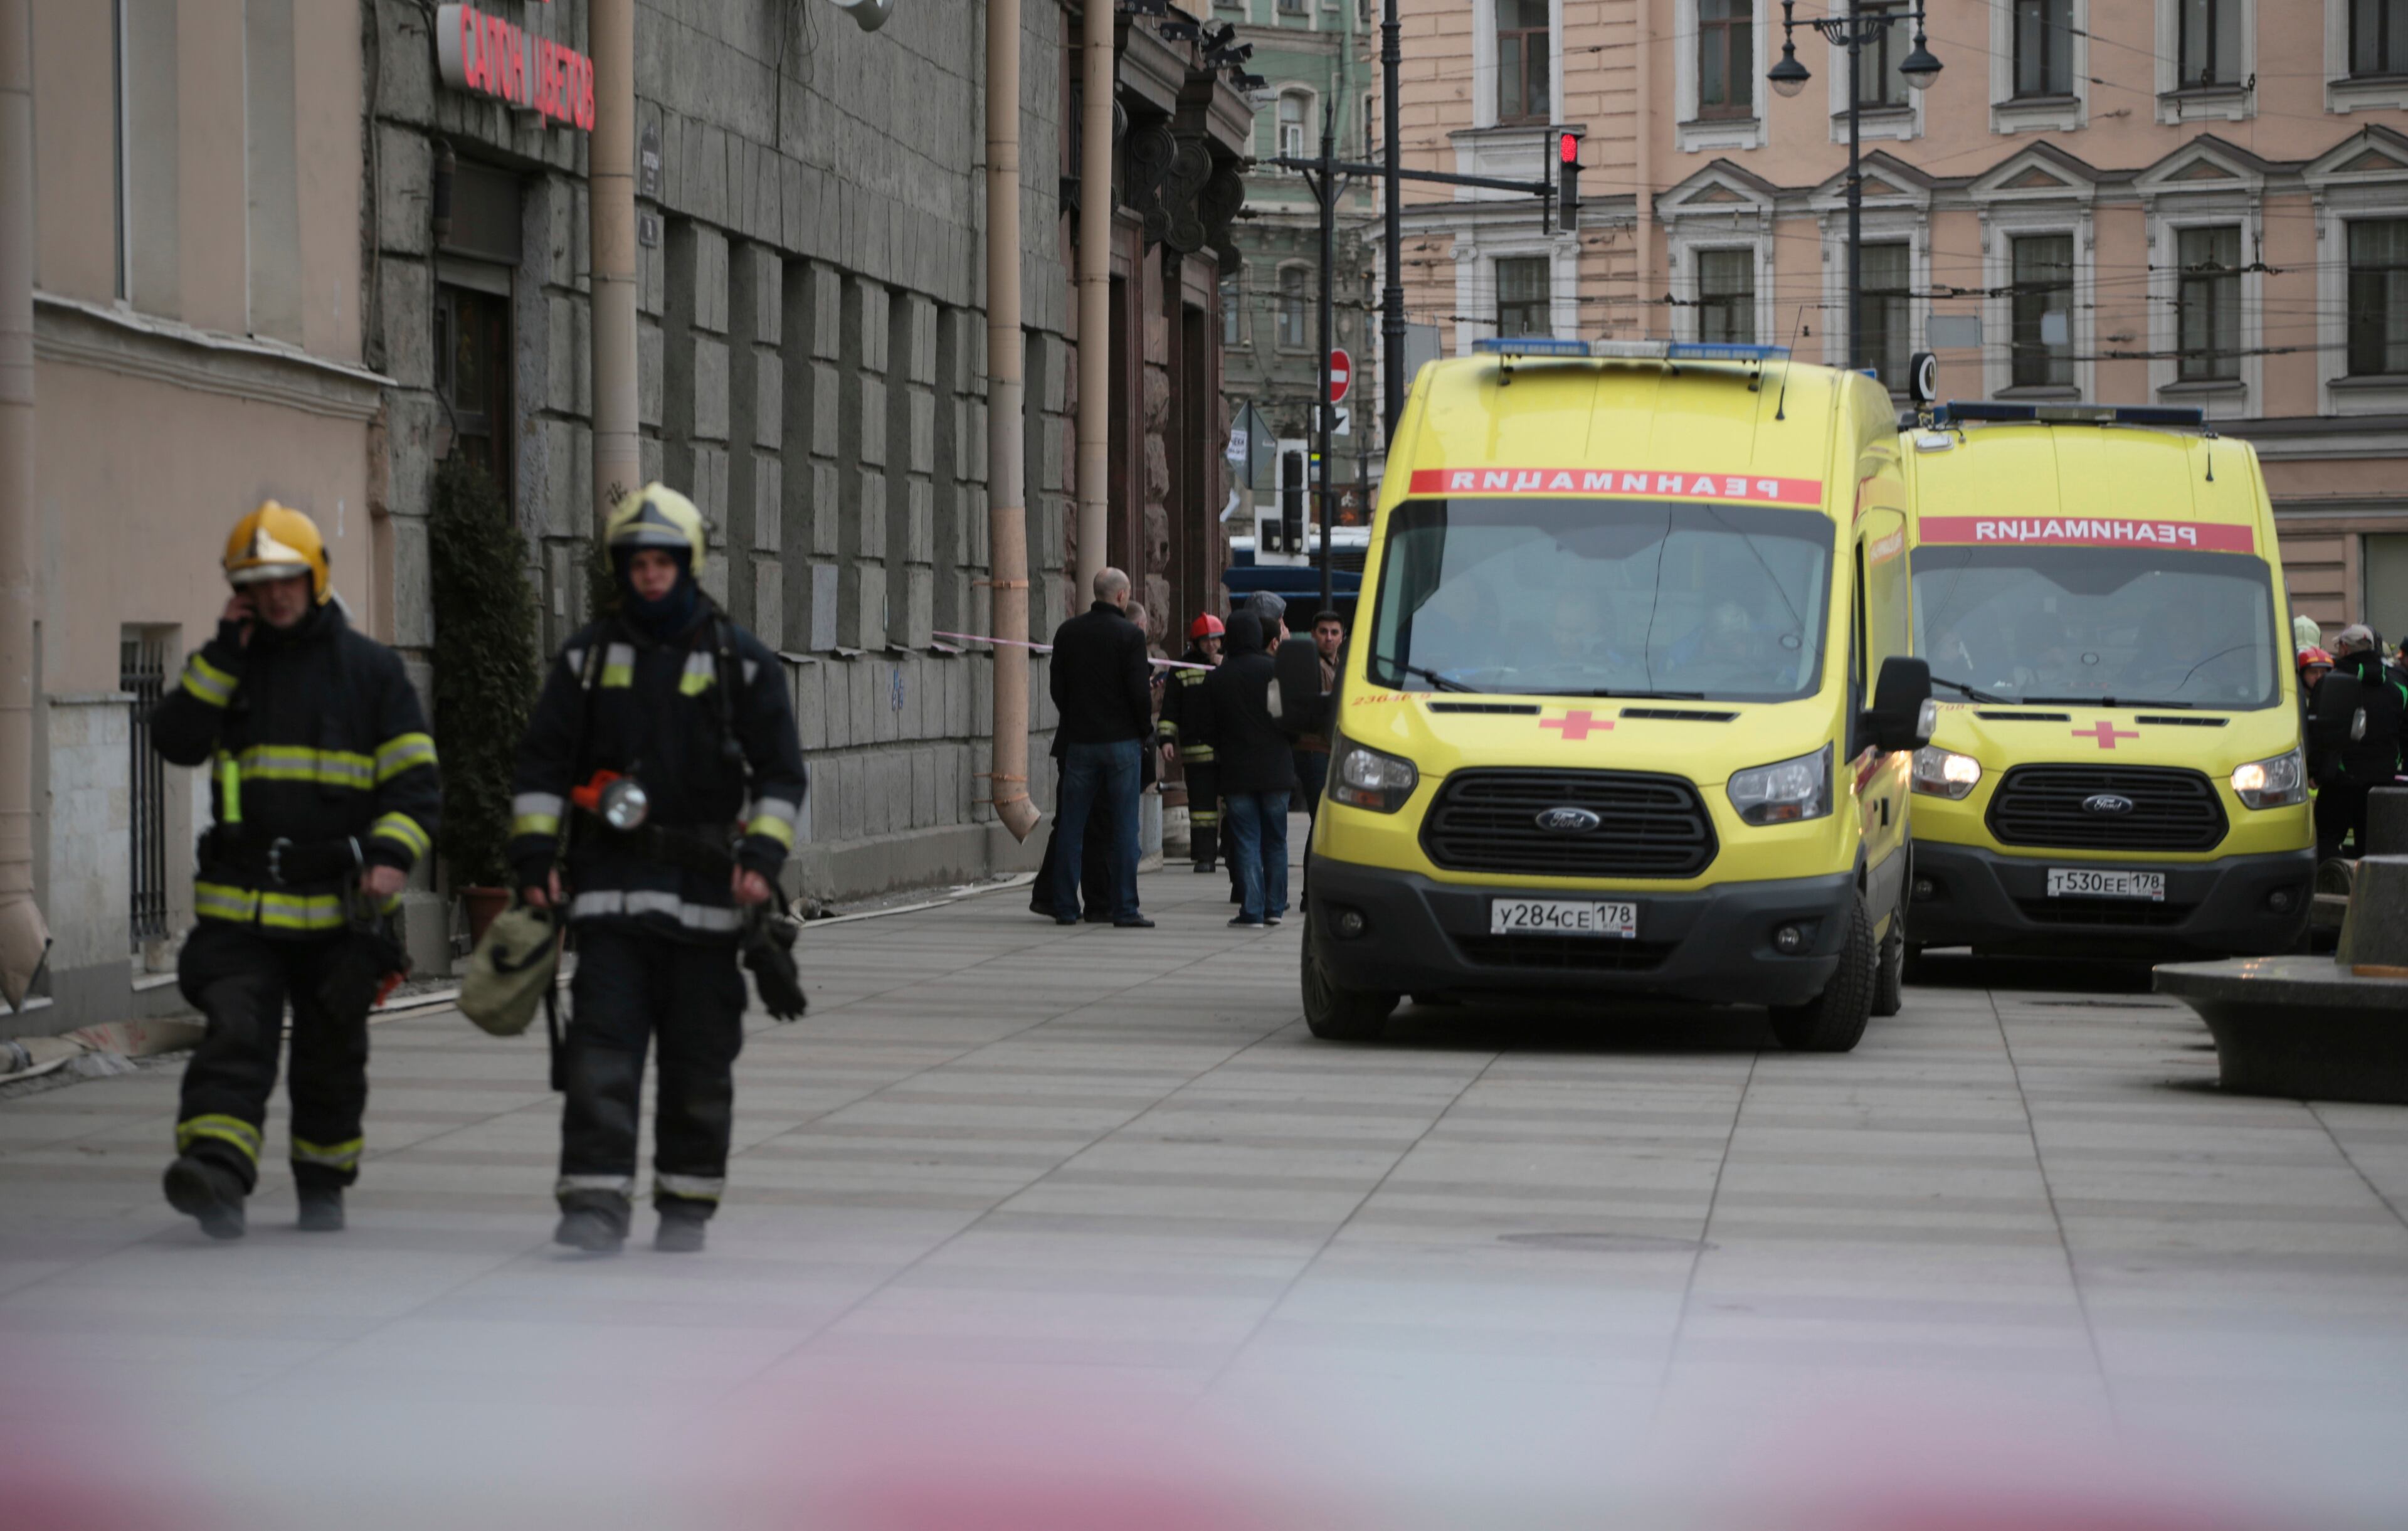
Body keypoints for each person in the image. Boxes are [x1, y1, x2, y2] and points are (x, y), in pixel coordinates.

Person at [507, 484, 806, 1254]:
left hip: (709, 903)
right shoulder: (584, 660)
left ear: (688, 564)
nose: (649, 574)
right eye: (637, 562)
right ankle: (595, 1202)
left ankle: (685, 1203)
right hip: (609, 898)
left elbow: (781, 777)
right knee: (600, 1052)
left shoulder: (742, 663)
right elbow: (542, 766)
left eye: (662, 561)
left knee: (698, 1063)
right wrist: (535, 855)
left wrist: (761, 857)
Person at [152, 502, 441, 1240]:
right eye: (258, 581)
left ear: (314, 577)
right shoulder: (227, 666)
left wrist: (388, 856)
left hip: (334, 912)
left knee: (330, 1055)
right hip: (241, 911)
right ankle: (215, 1172)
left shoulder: (371, 672)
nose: (275, 593)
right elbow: (179, 739)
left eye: (286, 578)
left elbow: (415, 780)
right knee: (234, 1034)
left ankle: (322, 1184)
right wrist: (222, 651)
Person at [1047, 568, 1155, 928]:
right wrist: (1144, 732)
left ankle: (1064, 906)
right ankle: (1124, 908)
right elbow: (1141, 694)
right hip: (1123, 743)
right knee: (1125, 828)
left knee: (1071, 827)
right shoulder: (1130, 636)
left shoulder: (1068, 632)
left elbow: (1057, 689)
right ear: (1122, 596)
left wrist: (1076, 718)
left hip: (1080, 742)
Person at [1191, 612, 1294, 928]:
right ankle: (1275, 907)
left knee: (1246, 840)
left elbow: (1204, 729)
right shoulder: (1273, 672)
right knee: (1276, 841)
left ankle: (1252, 909)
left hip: (1236, 771)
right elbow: (1283, 718)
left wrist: (1225, 745)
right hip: (1275, 769)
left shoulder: (1218, 678)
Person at [2317, 624, 2405, 861]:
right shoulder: (2399, 690)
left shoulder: (2331, 684)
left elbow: (2319, 735)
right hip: (2382, 783)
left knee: (2326, 840)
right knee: (2373, 850)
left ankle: (2331, 891)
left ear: (2345, 649)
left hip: (2341, 781)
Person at [1159, 613, 1226, 872]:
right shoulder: (1182, 667)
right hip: (1197, 750)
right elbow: (1171, 707)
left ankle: (1233, 854)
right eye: (1206, 640)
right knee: (1202, 809)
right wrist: (1166, 739)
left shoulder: (1230, 663)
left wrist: (1223, 667)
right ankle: (1204, 857)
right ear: (1195, 642)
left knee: (1235, 805)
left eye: (1216, 639)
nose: (1212, 645)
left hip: (1228, 748)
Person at [1293, 610, 1344, 817]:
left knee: (1323, 822)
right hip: (1314, 748)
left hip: (1331, 748)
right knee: (1321, 817)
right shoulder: (1309, 663)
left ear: (1343, 636)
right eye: (1323, 632)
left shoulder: (1340, 665)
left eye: (1334, 632)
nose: (1329, 638)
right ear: (1313, 634)